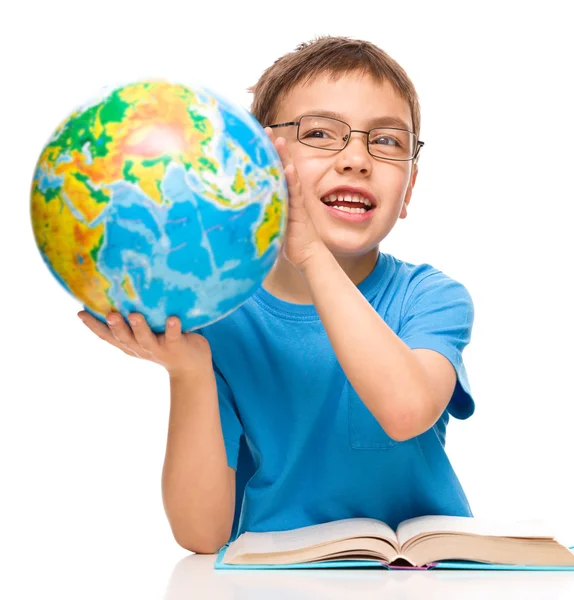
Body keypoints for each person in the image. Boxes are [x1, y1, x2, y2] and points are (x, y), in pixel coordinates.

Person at [77, 36, 476, 555]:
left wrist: (311, 253)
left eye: (386, 141)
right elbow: (201, 536)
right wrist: (190, 371)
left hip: (433, 576)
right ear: (258, 163)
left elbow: (404, 411)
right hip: (278, 575)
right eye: (319, 133)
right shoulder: (219, 315)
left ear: (410, 190)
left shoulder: (432, 297)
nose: (356, 158)